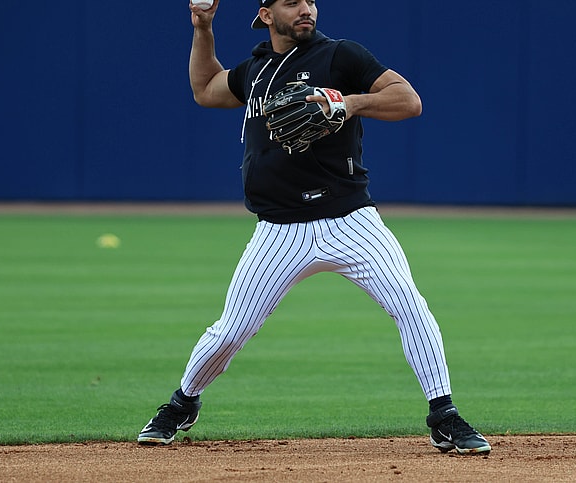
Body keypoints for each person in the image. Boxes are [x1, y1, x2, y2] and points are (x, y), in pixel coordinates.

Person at [137, 0, 492, 455]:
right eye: (292, 2)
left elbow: (409, 100)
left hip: (351, 221)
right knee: (232, 330)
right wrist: (203, 28)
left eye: (310, 1)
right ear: (266, 14)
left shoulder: (340, 56)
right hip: (278, 230)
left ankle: (444, 415)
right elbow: (205, 88)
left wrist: (349, 102)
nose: (307, 9)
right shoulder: (258, 69)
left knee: (410, 307)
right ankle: (183, 402)